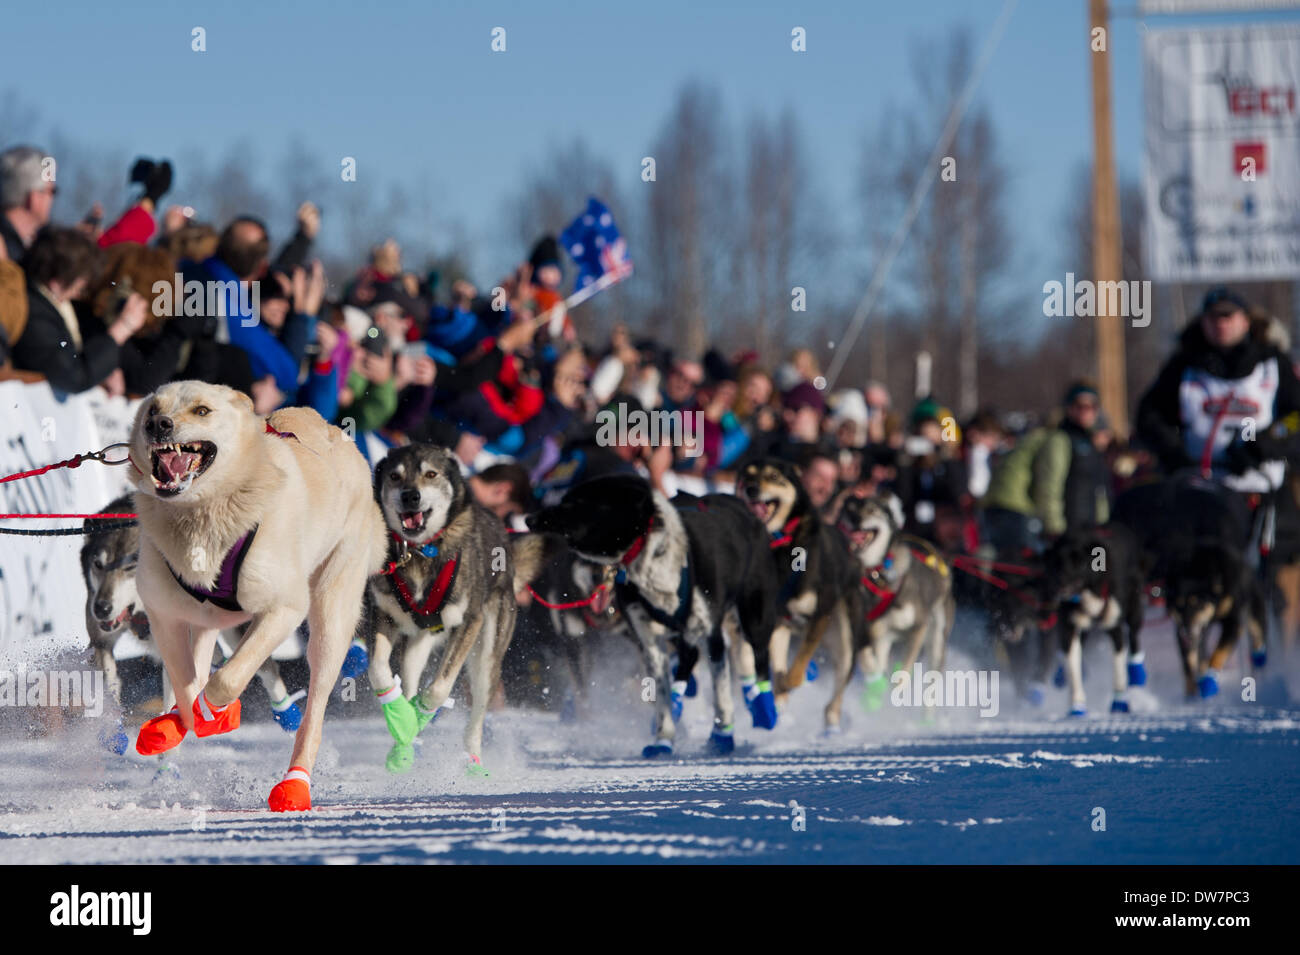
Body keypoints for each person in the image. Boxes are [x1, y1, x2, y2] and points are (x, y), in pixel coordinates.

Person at [1136, 287, 1300, 494]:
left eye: (1227, 316)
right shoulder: (1184, 365)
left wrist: (1261, 446)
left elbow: (1295, 416)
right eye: (1212, 317)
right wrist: (1174, 452)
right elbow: (1150, 416)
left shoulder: (1272, 364)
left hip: (1262, 484)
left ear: (1245, 321)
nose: (1220, 324)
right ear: (1203, 322)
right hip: (1198, 486)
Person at [10, 227, 147, 394]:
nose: (78, 293)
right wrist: (120, 330)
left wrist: (102, 371)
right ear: (58, 280)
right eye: (80, 282)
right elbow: (73, 376)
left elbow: (71, 360)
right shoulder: (33, 313)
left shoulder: (42, 299)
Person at [0, 145, 56, 262]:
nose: (52, 199)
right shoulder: (13, 254)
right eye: (52, 191)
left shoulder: (33, 246)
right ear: (34, 198)